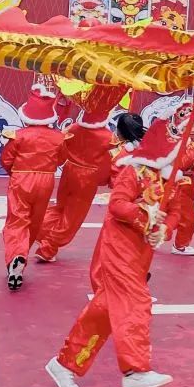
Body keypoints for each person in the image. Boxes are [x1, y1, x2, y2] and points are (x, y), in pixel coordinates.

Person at [46, 119, 180, 387]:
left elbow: (176, 212)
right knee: (137, 300)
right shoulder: (135, 171)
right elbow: (117, 204)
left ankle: (64, 364)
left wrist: (164, 230)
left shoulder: (171, 179)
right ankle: (135, 370)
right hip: (119, 245)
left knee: (104, 310)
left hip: (142, 251)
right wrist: (145, 215)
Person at [35, 85, 127, 264]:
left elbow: (59, 147)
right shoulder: (107, 137)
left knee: (60, 207)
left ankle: (40, 231)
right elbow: (116, 159)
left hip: (69, 171)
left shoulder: (73, 128)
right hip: (87, 178)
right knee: (73, 216)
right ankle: (48, 247)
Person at [0, 84, 69, 290]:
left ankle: (16, 256)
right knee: (35, 221)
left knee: (16, 221)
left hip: (21, 178)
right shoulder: (58, 137)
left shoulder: (18, 135)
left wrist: (15, 172)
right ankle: (21, 256)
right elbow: (61, 159)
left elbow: (6, 159)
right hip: (46, 180)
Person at [170, 105, 194, 258]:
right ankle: (180, 245)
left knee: (173, 212)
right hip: (178, 181)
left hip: (190, 182)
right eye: (191, 125)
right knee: (187, 217)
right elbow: (182, 163)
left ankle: (152, 237)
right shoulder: (178, 143)